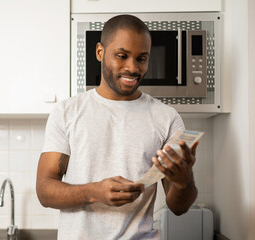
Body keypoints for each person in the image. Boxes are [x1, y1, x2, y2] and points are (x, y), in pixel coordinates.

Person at [36, 14, 198, 240]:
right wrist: (94, 192)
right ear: (100, 52)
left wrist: (184, 181)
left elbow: (179, 208)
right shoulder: (67, 112)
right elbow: (44, 190)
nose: (132, 68)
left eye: (141, 59)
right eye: (122, 56)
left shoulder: (166, 117)